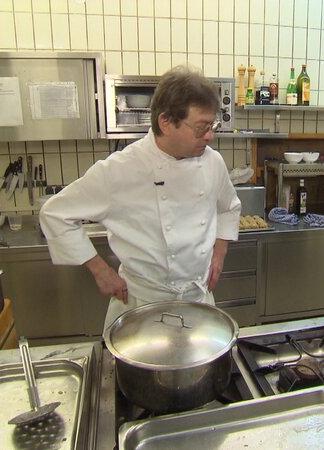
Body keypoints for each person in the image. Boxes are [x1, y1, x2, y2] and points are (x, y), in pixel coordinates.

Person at [40, 66, 241, 330]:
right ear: (166, 122)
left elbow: (228, 207)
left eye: (211, 125)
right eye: (201, 127)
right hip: (143, 305)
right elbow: (54, 213)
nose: (210, 136)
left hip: (197, 301)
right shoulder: (120, 169)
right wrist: (100, 269)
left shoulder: (212, 162)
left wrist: (220, 251)